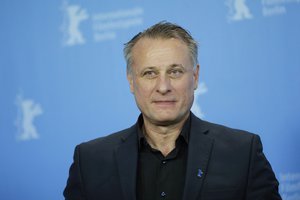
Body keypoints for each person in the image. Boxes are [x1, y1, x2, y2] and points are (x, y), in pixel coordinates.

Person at [63, 21, 281, 200]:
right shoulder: (90, 161)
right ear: (131, 82)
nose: (163, 86)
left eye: (175, 71)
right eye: (149, 73)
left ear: (195, 77)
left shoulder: (243, 152)